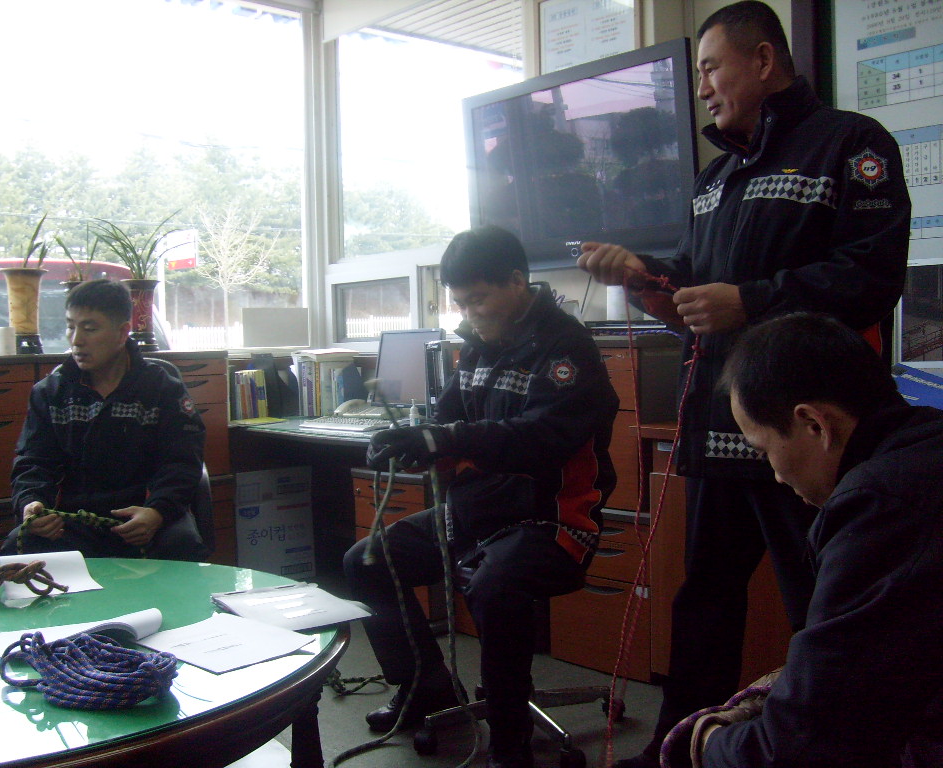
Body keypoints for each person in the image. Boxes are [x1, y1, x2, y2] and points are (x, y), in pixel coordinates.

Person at [576, 3, 911, 766]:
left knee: (823, 603)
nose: (702, 89)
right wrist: (644, 279)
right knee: (704, 602)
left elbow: (871, 276)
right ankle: (678, 746)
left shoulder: (851, 144)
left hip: (809, 434)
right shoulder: (715, 179)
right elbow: (694, 293)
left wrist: (752, 301)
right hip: (723, 423)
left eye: (711, 69)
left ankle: (834, 749)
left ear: (762, 61)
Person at [343, 224, 619, 768]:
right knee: (368, 560)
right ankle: (425, 686)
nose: (469, 313)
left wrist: (443, 439)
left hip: (551, 520)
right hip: (475, 513)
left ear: (516, 282)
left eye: (478, 300)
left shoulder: (567, 349)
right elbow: (450, 419)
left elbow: (540, 438)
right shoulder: (477, 349)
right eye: (460, 304)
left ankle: (510, 743)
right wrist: (413, 442)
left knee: (496, 585)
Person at [674, 312, 943, 768]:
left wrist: (706, 742)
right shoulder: (925, 447)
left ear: (815, 424)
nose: (776, 476)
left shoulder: (878, 508)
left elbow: (795, 747)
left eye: (764, 450)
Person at [0, 279, 209, 561]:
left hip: (146, 518)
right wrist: (31, 503)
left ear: (122, 332)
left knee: (182, 546)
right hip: (73, 521)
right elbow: (34, 462)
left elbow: (182, 462)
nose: (76, 340)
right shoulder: (51, 393)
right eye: (71, 327)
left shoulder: (162, 389)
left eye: (90, 328)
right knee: (18, 549)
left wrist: (157, 511)